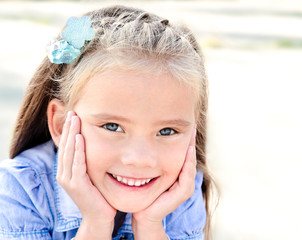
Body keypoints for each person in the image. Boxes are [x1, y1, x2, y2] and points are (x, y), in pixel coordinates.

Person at [0, 5, 213, 240]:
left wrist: (151, 226)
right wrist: (95, 224)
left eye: (167, 130)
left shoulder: (181, 192)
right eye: (112, 126)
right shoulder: (20, 190)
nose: (139, 158)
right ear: (61, 125)